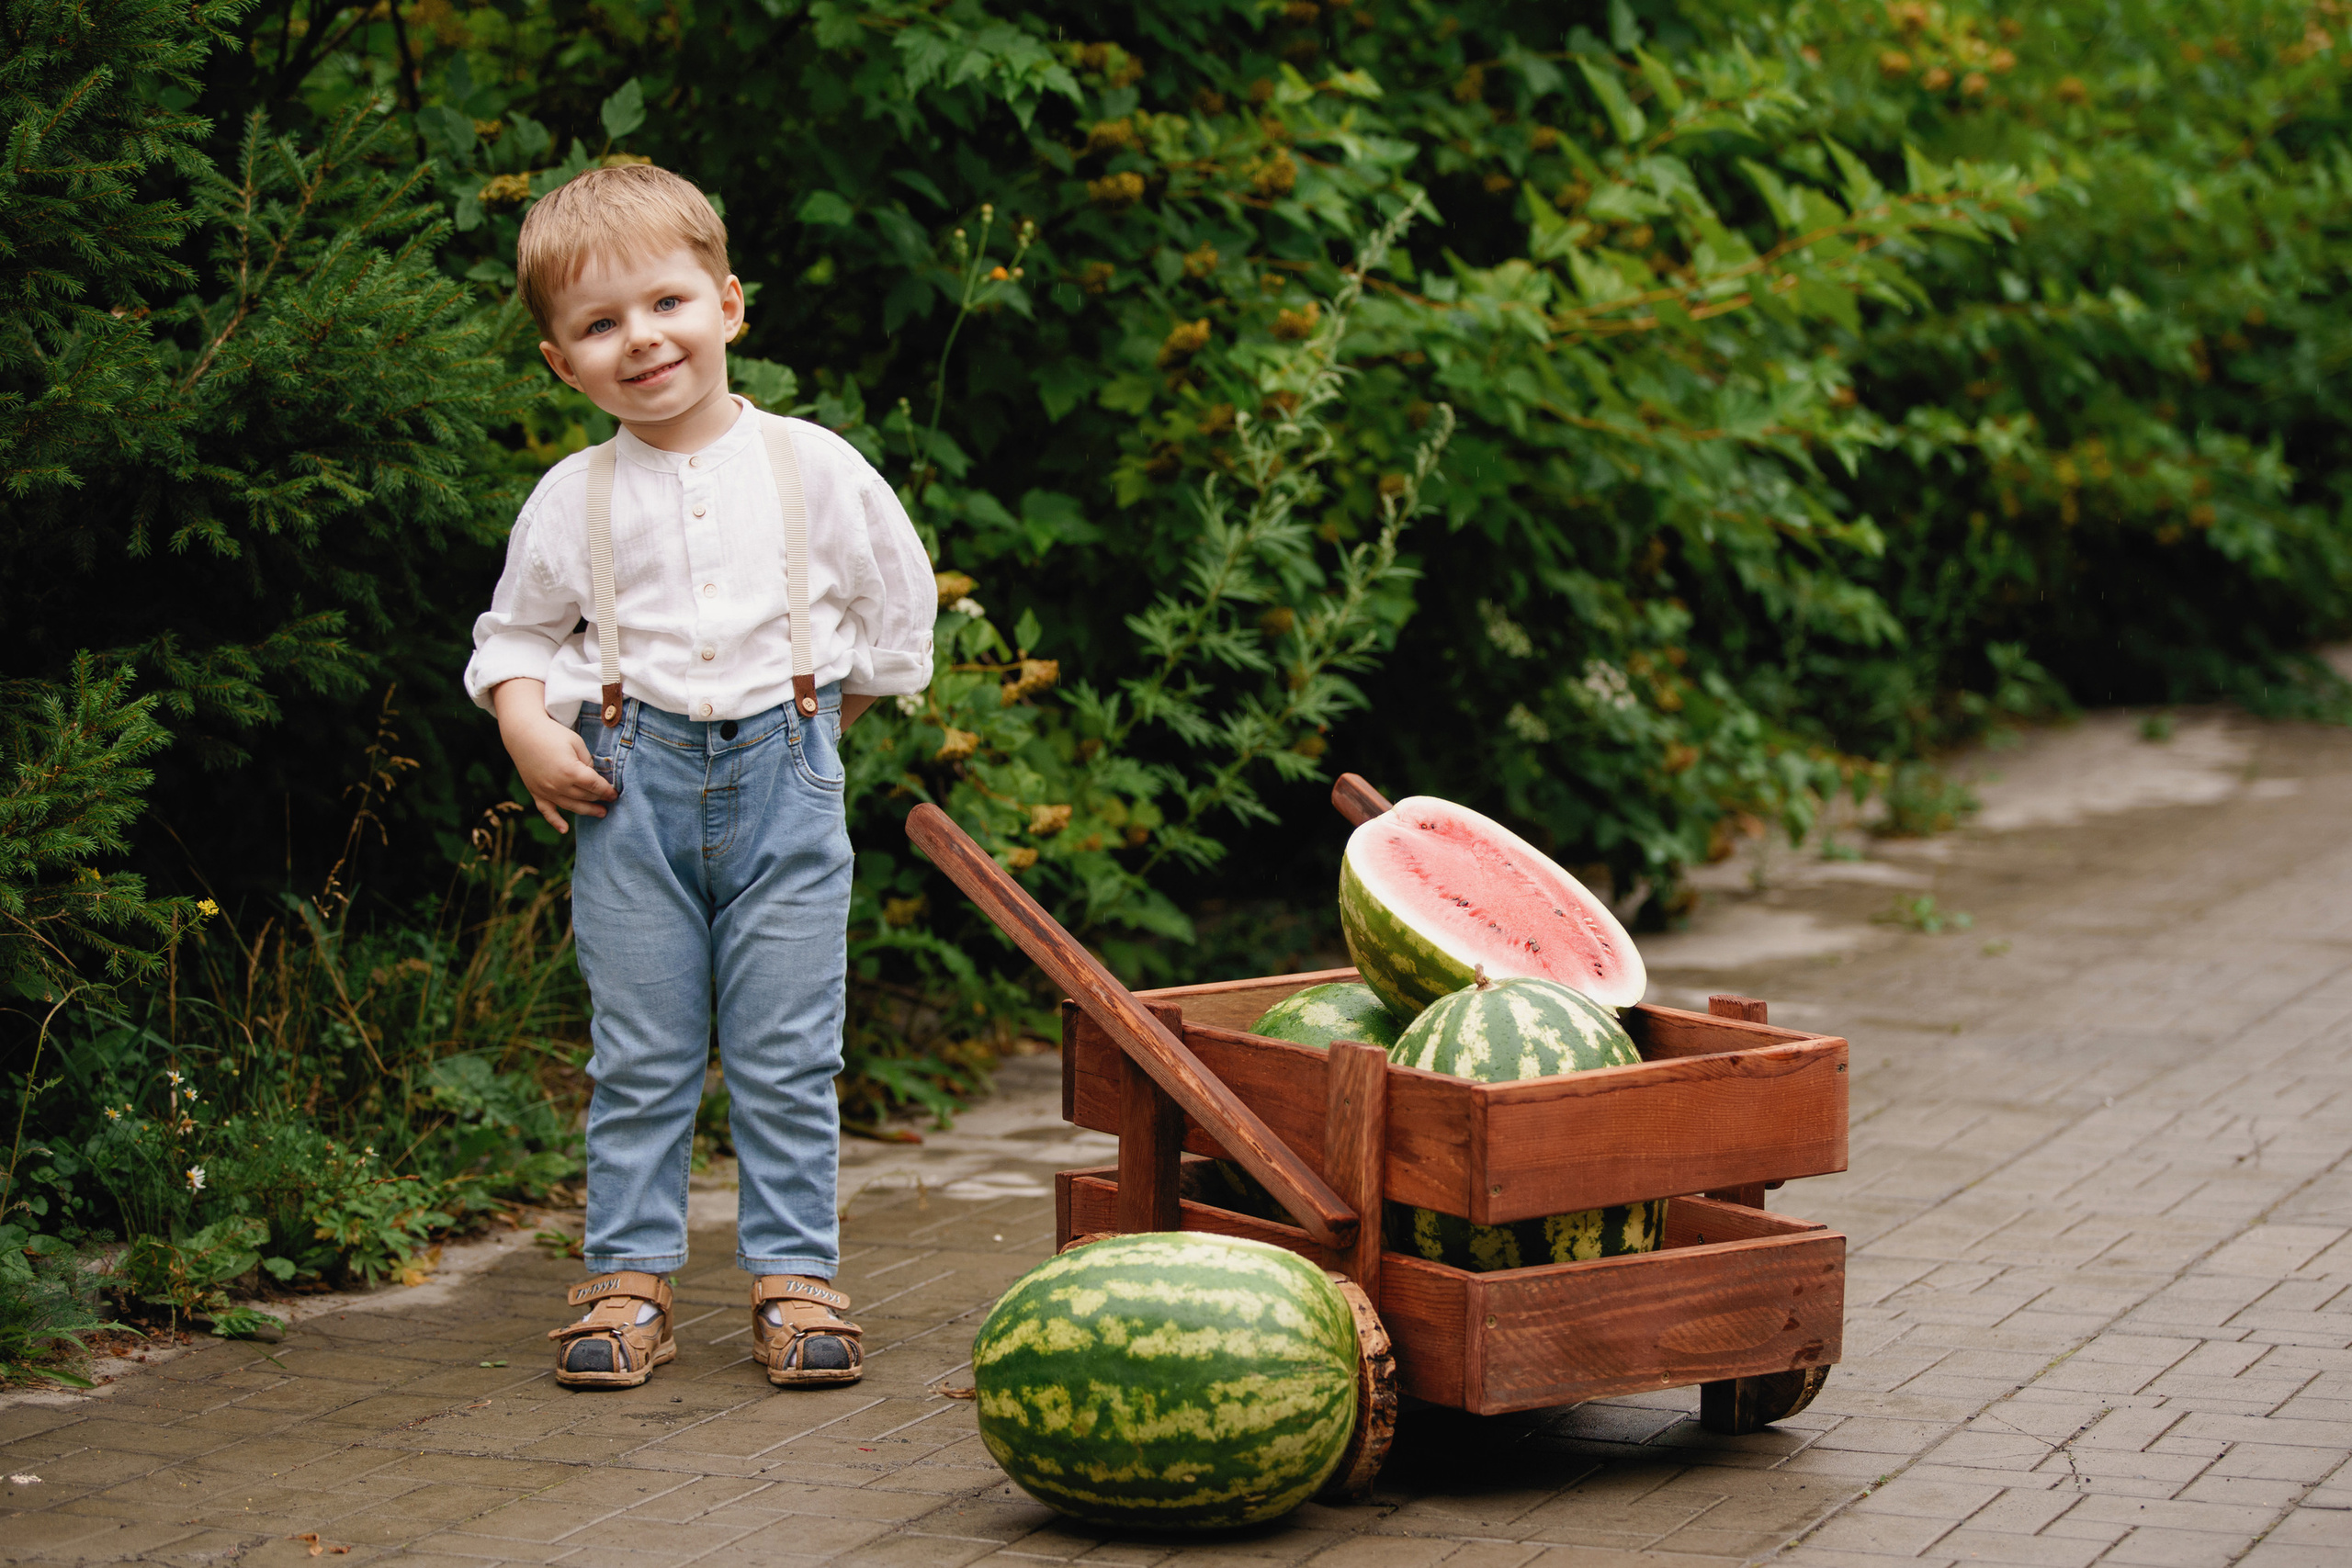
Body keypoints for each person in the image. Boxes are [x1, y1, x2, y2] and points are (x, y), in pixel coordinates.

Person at [464, 164, 935, 1390]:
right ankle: (626, 1279)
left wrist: (821, 715)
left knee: (788, 1048)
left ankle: (794, 1279)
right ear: (563, 364)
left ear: (728, 304)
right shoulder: (575, 498)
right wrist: (525, 723)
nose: (642, 340)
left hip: (789, 775)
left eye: (665, 303)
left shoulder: (815, 469)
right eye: (600, 325)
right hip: (630, 789)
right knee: (643, 1049)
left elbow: (893, 612)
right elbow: (514, 636)